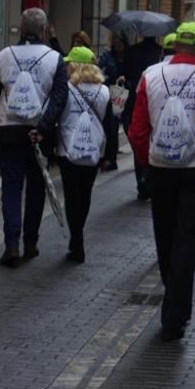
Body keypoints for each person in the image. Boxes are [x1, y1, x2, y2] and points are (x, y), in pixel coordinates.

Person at [128, 22, 195, 341]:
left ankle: (173, 296)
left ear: (175, 45)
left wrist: (145, 161)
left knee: (164, 233)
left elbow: (136, 129)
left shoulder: (150, 76)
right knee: (188, 236)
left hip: (160, 166)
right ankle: (176, 310)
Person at [0, 8, 68, 267]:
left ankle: (11, 243)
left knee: (10, 187)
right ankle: (30, 242)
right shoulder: (54, 58)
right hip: (38, 133)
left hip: (9, 129)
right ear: (44, 31)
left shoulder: (4, 55)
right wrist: (43, 127)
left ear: (20, 30)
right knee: (35, 187)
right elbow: (59, 97)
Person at [57, 46, 113, 263]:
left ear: (76, 65)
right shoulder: (104, 91)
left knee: (71, 196)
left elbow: (55, 115)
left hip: (67, 150)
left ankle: (77, 238)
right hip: (93, 151)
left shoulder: (66, 89)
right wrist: (107, 154)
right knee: (85, 194)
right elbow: (109, 124)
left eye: (69, 62)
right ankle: (78, 235)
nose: (66, 66)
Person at [122, 34, 164, 199]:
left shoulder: (132, 51)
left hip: (135, 98)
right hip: (156, 97)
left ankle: (141, 181)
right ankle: (152, 176)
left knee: (139, 137)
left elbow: (124, 72)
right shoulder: (159, 51)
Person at [97, 32, 128, 171]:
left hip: (124, 94)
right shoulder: (107, 55)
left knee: (117, 126)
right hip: (109, 92)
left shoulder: (129, 55)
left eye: (120, 46)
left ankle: (111, 157)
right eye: (115, 46)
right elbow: (99, 69)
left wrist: (125, 79)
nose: (118, 48)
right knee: (111, 126)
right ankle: (108, 157)